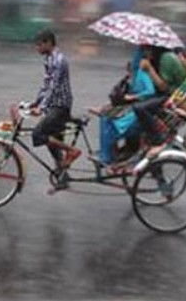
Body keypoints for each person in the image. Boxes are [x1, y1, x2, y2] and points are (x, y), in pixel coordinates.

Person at [30, 30, 81, 188]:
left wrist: (42, 107)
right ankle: (63, 175)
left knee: (38, 133)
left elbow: (54, 86)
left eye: (39, 45)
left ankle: (72, 151)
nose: (37, 48)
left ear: (48, 43)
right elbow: (46, 83)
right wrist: (36, 102)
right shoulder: (49, 59)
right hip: (53, 105)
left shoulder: (59, 60)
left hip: (60, 105)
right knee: (54, 142)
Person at [90, 47, 155, 165]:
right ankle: (107, 153)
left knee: (108, 122)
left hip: (138, 112)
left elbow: (150, 91)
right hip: (133, 109)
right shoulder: (134, 76)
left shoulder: (142, 73)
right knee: (105, 117)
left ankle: (106, 156)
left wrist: (134, 97)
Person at [133, 45, 186, 156]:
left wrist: (149, 69)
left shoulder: (167, 58)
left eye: (148, 49)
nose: (146, 52)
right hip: (163, 93)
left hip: (172, 96)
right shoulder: (159, 57)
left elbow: (164, 87)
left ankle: (158, 139)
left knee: (139, 108)